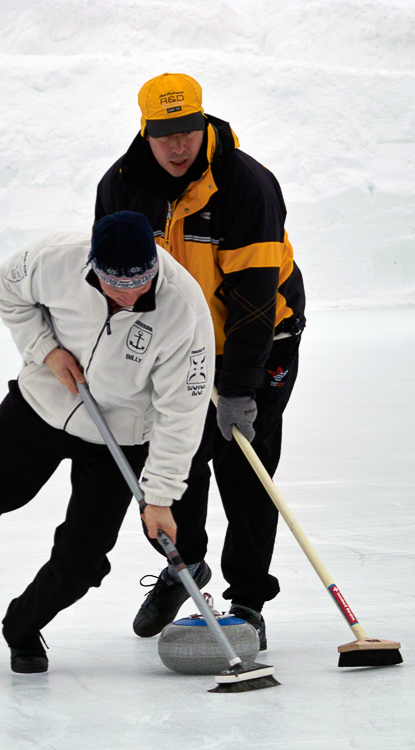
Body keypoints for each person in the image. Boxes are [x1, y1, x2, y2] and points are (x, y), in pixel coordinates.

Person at [0, 211, 214, 673]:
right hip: (40, 405)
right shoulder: (57, 258)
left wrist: (158, 496)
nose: (129, 295)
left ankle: (22, 626)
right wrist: (45, 350)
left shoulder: (184, 310)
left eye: (140, 283)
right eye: (115, 284)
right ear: (93, 266)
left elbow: (183, 413)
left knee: (80, 562)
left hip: (122, 435)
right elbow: (6, 289)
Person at [95, 73, 306, 649]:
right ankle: (185, 568)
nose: (178, 145)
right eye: (165, 134)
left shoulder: (247, 185)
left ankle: (247, 600)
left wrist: (238, 387)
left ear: (203, 122)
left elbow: (256, 298)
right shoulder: (122, 184)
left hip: (260, 341)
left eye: (187, 130)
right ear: (145, 130)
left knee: (247, 471)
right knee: (174, 463)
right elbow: (115, 277)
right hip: (177, 348)